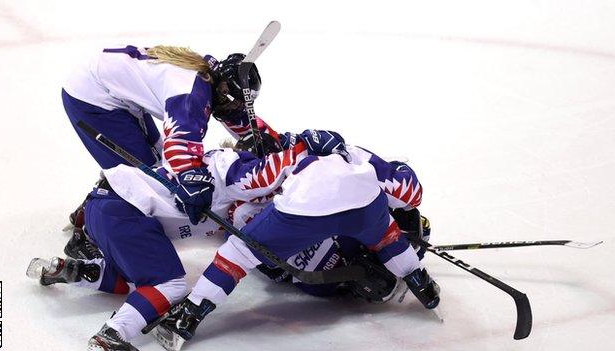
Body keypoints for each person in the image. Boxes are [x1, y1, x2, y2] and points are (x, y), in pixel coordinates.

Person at [150, 132, 440, 351]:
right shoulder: (346, 153)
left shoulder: (245, 200)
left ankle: (188, 316)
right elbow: (409, 192)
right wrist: (400, 170)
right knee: (389, 230)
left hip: (315, 265)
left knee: (238, 253)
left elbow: (272, 268)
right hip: (359, 220)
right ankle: (421, 282)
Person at [60, 45, 278, 261]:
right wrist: (191, 178)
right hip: (93, 97)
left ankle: (90, 208)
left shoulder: (211, 77)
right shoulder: (192, 95)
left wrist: (276, 145)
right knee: (143, 179)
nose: (235, 109)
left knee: (154, 166)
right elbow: (180, 141)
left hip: (111, 91)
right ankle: (86, 235)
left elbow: (241, 120)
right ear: (224, 92)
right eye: (235, 104)